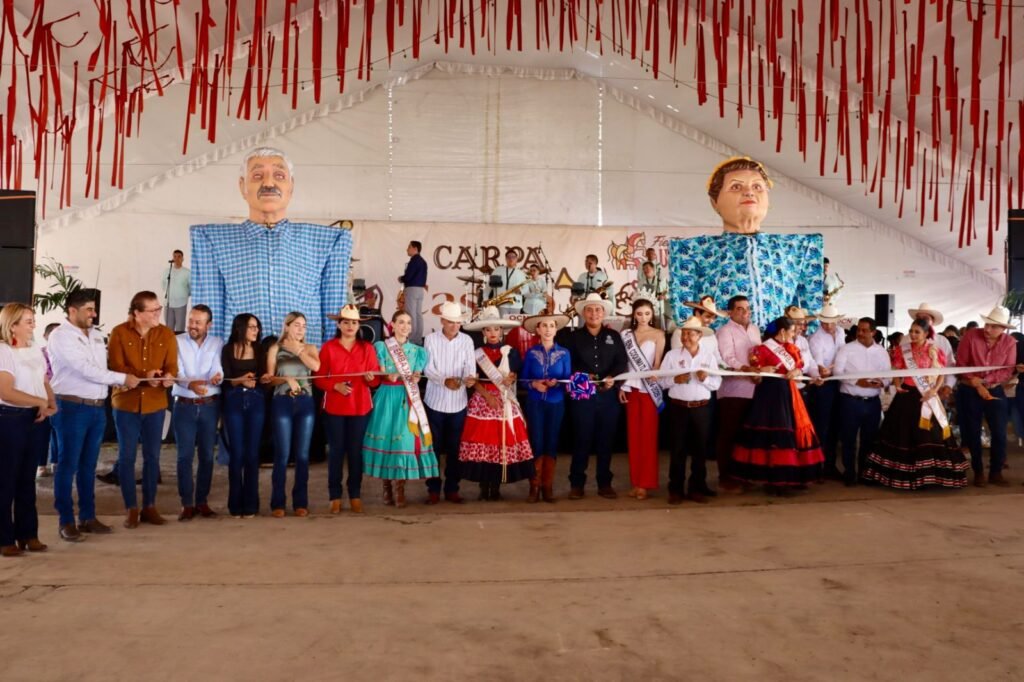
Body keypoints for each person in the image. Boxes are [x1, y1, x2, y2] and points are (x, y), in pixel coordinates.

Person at [191, 147, 353, 347]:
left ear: (291, 186)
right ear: (242, 186)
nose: (268, 183)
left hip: (302, 359)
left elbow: (334, 312)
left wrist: (330, 360)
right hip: (243, 359)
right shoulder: (214, 240)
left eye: (279, 175)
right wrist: (212, 360)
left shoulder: (326, 242)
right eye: (257, 175)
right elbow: (209, 312)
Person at [668, 157, 824, 329]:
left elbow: (811, 311)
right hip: (720, 342)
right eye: (736, 187)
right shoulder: (692, 250)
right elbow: (684, 315)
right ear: (715, 202)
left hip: (778, 341)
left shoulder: (795, 248)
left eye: (757, 187)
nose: (749, 192)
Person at [48, 289, 138, 541]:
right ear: (72, 310)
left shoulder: (97, 335)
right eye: (88, 309)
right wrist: (122, 379)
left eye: (94, 309)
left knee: (88, 466)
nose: (94, 314)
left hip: (97, 408)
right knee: (67, 465)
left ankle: (88, 517)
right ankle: (66, 521)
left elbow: (102, 367)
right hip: (71, 408)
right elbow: (85, 369)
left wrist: (123, 378)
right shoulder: (60, 336)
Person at [862, 318, 968, 489]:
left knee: (929, 435)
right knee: (901, 432)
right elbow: (897, 370)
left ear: (926, 334)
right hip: (906, 395)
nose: (913, 334)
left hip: (926, 395)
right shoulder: (903, 350)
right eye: (911, 331)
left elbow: (941, 373)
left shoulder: (934, 350)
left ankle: (931, 477)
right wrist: (897, 384)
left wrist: (934, 390)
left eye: (917, 332)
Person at [108, 291, 178, 528]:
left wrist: (168, 377)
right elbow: (116, 368)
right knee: (127, 457)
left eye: (159, 308)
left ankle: (149, 506)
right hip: (126, 403)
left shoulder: (167, 334)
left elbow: (172, 366)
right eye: (153, 310)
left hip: (155, 404)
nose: (158, 313)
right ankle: (131, 508)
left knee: (153, 457)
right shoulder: (119, 333)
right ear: (137, 313)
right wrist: (144, 375)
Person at [732, 317, 824, 495]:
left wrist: (797, 370)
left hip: (790, 394)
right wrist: (761, 370)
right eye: (792, 331)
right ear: (782, 331)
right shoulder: (761, 350)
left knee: (793, 432)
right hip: (769, 396)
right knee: (774, 436)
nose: (794, 334)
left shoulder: (792, 348)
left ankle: (794, 476)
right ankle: (775, 480)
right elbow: (755, 377)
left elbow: (800, 365)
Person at [363, 310, 438, 508]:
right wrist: (387, 375)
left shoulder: (418, 351)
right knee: (387, 440)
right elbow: (380, 373)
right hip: (387, 397)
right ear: (393, 325)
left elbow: (418, 373)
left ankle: (400, 488)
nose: (405, 326)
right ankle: (386, 487)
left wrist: (416, 377)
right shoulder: (382, 346)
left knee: (403, 442)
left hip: (408, 398)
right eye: (401, 322)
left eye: (408, 323)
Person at [458, 307, 534, 500]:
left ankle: (497, 485)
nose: (492, 333)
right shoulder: (476, 353)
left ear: (502, 331)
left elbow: (514, 375)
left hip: (504, 398)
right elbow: (473, 380)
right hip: (483, 400)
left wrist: (511, 378)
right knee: (484, 442)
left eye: (496, 329)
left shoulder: (511, 352)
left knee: (502, 442)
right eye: (488, 329)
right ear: (483, 332)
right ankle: (484, 486)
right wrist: (487, 396)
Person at [0, 304, 55, 556]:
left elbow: (43, 380)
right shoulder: (4, 351)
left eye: (33, 320)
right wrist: (39, 401)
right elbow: (6, 391)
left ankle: (28, 533)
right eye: (28, 321)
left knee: (27, 479)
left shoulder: (34, 348)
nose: (33, 325)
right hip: (9, 418)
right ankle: (4, 538)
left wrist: (49, 401)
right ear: (12, 326)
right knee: (6, 479)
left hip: (34, 417)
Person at [315, 305, 381, 514]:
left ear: (359, 325)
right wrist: (335, 386)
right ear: (339, 325)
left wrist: (371, 379)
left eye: (354, 322)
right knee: (336, 452)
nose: (350, 326)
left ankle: (355, 494)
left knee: (355, 452)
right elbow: (318, 378)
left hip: (360, 408)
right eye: (346, 322)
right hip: (334, 408)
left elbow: (375, 381)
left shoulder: (367, 348)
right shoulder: (328, 348)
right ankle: (334, 495)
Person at [564, 293, 628, 499]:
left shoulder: (614, 336)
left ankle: (604, 483)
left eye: (598, 310)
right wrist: (584, 375)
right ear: (583, 313)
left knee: (606, 440)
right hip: (583, 395)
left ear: (604, 313)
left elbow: (622, 362)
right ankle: (576, 484)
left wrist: (612, 378)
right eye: (590, 310)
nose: (594, 314)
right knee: (581, 439)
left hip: (608, 396)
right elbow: (568, 364)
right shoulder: (573, 337)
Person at [659, 316, 722, 504]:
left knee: (700, 449)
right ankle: (675, 489)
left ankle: (697, 487)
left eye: (690, 334)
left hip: (701, 408)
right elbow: (661, 381)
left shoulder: (708, 357)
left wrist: (705, 379)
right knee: (677, 449)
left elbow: (716, 384)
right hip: (678, 407)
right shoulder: (672, 356)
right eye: (684, 333)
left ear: (699, 335)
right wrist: (674, 380)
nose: (686, 337)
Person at [263, 312, 320, 517]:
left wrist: (299, 351)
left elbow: (316, 367)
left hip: (305, 402)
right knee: (282, 454)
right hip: (282, 402)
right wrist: (287, 378)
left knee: (303, 455)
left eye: (304, 326)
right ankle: (278, 503)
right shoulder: (275, 348)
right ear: (287, 326)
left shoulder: (310, 348)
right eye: (297, 325)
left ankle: (300, 502)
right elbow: (269, 379)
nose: (301, 329)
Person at [172, 305, 223, 522]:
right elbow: (176, 370)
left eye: (198, 322)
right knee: (184, 456)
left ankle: (202, 501)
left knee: (207, 456)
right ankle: (186, 503)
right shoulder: (177, 341)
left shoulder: (217, 342)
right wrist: (190, 384)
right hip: (184, 405)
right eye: (191, 321)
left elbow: (217, 367)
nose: (192, 326)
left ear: (208, 325)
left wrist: (217, 376)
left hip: (210, 406)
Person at [956, 305, 1017, 487]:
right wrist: (976, 383)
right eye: (987, 324)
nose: (988, 329)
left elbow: (1007, 370)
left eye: (994, 326)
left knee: (999, 432)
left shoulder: (1010, 343)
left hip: (994, 388)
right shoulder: (970, 336)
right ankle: (978, 472)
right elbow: (961, 364)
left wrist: (984, 382)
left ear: (1003, 328)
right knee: (972, 431)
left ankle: (996, 471)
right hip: (970, 389)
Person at [423, 301, 477, 504]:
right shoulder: (430, 339)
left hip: (458, 403)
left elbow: (470, 366)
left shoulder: (467, 340)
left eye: (458, 322)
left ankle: (452, 488)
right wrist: (444, 380)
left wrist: (469, 378)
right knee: (433, 448)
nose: (455, 326)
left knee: (455, 449)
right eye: (451, 322)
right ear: (442, 321)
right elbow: (428, 368)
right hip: (434, 402)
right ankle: (433, 489)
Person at [520, 312, 572, 503]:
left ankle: (547, 486)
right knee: (536, 442)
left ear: (556, 330)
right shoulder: (531, 353)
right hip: (535, 403)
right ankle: (534, 486)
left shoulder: (564, 353)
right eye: (544, 325)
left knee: (551, 442)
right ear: (538, 330)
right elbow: (523, 379)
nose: (548, 329)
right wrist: (533, 384)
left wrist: (556, 383)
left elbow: (568, 380)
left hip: (555, 403)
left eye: (551, 326)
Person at [833, 317, 890, 485]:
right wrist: (856, 381)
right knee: (848, 439)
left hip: (872, 402)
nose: (860, 333)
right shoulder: (846, 349)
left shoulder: (881, 351)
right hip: (850, 401)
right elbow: (837, 372)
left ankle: (865, 473)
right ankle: (849, 473)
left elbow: (888, 375)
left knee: (869, 440)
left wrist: (882, 383)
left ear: (873, 332)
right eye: (858, 329)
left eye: (864, 330)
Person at [618, 296, 665, 500]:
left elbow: (657, 363)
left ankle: (646, 483)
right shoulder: (626, 335)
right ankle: (636, 482)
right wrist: (622, 386)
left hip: (648, 391)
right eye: (639, 314)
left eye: (647, 313)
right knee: (633, 437)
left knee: (648, 438)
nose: (643, 317)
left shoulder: (659, 334)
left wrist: (655, 375)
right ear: (634, 315)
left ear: (652, 314)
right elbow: (623, 364)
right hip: (631, 388)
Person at [714, 295, 762, 491]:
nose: (745, 312)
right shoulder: (725, 331)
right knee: (729, 434)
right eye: (740, 309)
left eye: (747, 308)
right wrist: (746, 369)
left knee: (747, 435)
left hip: (753, 388)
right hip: (732, 390)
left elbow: (759, 355)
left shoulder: (755, 329)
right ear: (730, 312)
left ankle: (744, 475)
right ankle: (725, 476)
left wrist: (758, 372)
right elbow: (727, 358)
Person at [221, 314, 266, 518]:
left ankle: (251, 504)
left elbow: (263, 378)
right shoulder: (227, 349)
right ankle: (235, 504)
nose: (256, 330)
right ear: (240, 328)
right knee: (237, 454)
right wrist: (241, 380)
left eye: (257, 327)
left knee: (252, 453)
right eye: (251, 327)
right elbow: (226, 379)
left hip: (256, 401)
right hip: (234, 401)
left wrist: (261, 379)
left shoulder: (260, 349)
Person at [808, 303, 846, 477]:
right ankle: (818, 466)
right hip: (823, 384)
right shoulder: (816, 338)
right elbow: (817, 362)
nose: (828, 325)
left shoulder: (841, 332)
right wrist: (823, 369)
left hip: (837, 381)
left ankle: (830, 465)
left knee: (835, 424)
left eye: (831, 322)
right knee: (822, 425)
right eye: (824, 322)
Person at [908, 303, 957, 397]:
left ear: (932, 321)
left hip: (937, 390)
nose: (922, 321)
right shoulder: (906, 341)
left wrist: (948, 385)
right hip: (910, 390)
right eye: (919, 318)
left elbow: (950, 365)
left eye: (925, 318)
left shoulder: (942, 341)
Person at [37, 321, 61, 479]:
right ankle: (41, 464)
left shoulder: (66, 355)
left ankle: (56, 462)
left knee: (58, 431)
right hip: (43, 397)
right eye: (52, 334)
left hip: (61, 397)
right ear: (45, 336)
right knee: (43, 432)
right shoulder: (38, 354)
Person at [400, 240, 428, 344]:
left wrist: (401, 278)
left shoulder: (413, 261)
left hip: (412, 289)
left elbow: (408, 277)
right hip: (420, 290)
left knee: (411, 314)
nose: (407, 249)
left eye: (409, 247)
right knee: (418, 314)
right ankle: (418, 339)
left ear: (415, 248)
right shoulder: (423, 261)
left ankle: (411, 339)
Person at [486, 250, 527, 317]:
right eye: (509, 257)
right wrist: (485, 299)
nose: (511, 259)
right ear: (505, 259)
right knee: (502, 323)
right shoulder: (498, 270)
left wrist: (520, 291)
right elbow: (488, 286)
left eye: (513, 257)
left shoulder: (521, 273)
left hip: (516, 304)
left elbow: (526, 289)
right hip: (501, 304)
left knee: (514, 323)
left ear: (516, 259)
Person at [164, 249, 191, 333]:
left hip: (181, 304)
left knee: (180, 328)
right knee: (168, 329)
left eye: (179, 256)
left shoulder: (187, 272)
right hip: (168, 303)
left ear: (182, 259)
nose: (177, 258)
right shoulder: (167, 271)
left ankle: (179, 342)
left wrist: (184, 295)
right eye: (175, 256)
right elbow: (163, 284)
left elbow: (191, 287)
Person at [636, 261, 667, 328]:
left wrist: (664, 296)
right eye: (644, 269)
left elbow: (668, 291)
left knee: (659, 330)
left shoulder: (661, 280)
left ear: (653, 269)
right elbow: (638, 293)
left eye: (647, 268)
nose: (645, 270)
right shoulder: (641, 282)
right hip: (646, 311)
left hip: (658, 311)